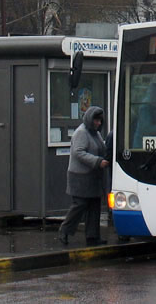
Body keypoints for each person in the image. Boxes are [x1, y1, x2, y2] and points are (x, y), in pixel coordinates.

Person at [58, 106, 109, 247]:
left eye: (100, 120)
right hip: (80, 177)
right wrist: (98, 161)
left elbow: (101, 147)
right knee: (79, 205)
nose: (98, 123)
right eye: (96, 120)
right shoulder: (81, 133)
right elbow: (78, 152)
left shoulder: (95, 133)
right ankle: (65, 230)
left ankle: (93, 237)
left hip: (93, 177)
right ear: (90, 119)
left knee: (94, 206)